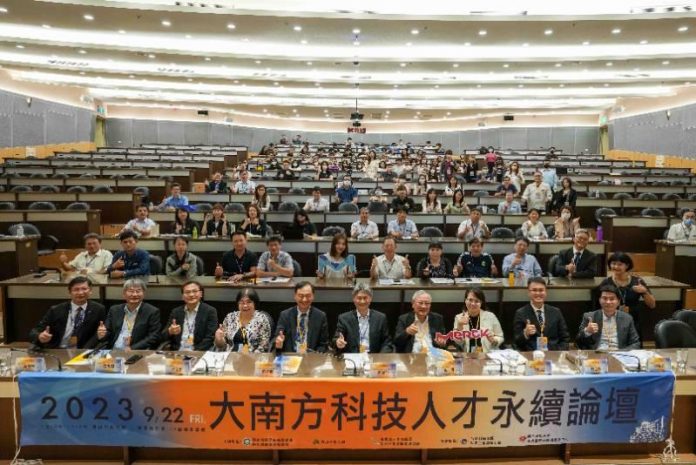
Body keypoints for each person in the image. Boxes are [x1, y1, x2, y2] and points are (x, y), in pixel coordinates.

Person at [29, 276, 106, 349]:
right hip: (58, 349)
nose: (80, 292)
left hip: (83, 351)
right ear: (69, 292)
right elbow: (34, 332)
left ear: (90, 291)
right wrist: (40, 336)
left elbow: (99, 334)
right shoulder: (56, 310)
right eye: (76, 289)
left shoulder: (98, 309)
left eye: (84, 289)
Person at [597, 252, 655, 343]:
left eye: (620, 264)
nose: (616, 267)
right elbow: (599, 306)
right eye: (613, 264)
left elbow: (652, 305)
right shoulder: (606, 282)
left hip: (633, 321)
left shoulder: (637, 281)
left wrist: (644, 291)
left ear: (627, 265)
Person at [97, 278, 161, 350]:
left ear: (143, 294)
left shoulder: (152, 311)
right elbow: (107, 332)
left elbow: (153, 336)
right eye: (131, 291)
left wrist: (132, 348)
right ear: (124, 294)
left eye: (138, 291)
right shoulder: (114, 310)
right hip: (113, 350)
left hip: (136, 351)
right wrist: (101, 335)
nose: (134, 294)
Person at [333, 283, 393, 353]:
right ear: (354, 299)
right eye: (359, 298)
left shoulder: (380, 318)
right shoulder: (344, 318)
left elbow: (387, 342)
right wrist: (338, 342)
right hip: (353, 357)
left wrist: (380, 357)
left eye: (365, 298)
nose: (362, 301)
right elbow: (336, 339)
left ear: (370, 299)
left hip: (373, 356)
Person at [576, 285, 640, 350]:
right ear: (599, 300)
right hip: (596, 354)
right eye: (604, 298)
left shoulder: (627, 318)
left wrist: (621, 352)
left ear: (618, 302)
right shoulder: (589, 316)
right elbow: (578, 342)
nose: (608, 302)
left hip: (619, 353)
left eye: (612, 299)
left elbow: (635, 343)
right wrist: (587, 331)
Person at [513, 277, 569, 351]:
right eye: (534, 290)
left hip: (553, 353)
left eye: (541, 290)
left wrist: (557, 353)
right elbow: (517, 342)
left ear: (546, 292)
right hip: (531, 354)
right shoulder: (521, 313)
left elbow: (565, 339)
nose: (538, 293)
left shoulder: (556, 312)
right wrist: (525, 334)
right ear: (528, 292)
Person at [161, 281, 218, 351]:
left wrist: (193, 352)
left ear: (201, 294)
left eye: (194, 291)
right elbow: (162, 336)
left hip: (198, 352)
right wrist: (170, 331)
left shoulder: (210, 311)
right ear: (182, 296)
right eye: (187, 292)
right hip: (178, 352)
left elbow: (210, 338)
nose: (191, 294)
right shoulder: (176, 312)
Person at [274, 282, 329, 353]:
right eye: (301, 296)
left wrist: (316, 354)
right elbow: (277, 337)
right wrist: (278, 343)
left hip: (311, 357)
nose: (304, 299)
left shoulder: (320, 316)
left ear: (313, 296)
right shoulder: (285, 315)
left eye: (308, 296)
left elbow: (323, 344)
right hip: (291, 356)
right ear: (295, 296)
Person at [214, 288, 273, 352]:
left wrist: (249, 356)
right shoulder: (230, 317)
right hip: (230, 355)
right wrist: (219, 339)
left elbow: (264, 346)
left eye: (249, 302)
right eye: (241, 302)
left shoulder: (262, 319)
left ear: (255, 303)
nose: (245, 305)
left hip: (253, 355)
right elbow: (221, 346)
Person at [449, 288, 504, 353]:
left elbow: (500, 336)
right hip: (468, 355)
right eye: (470, 300)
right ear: (465, 301)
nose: (473, 303)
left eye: (477, 301)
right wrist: (459, 326)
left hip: (488, 354)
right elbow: (459, 343)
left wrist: (493, 340)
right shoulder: (459, 317)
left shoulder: (490, 316)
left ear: (481, 302)